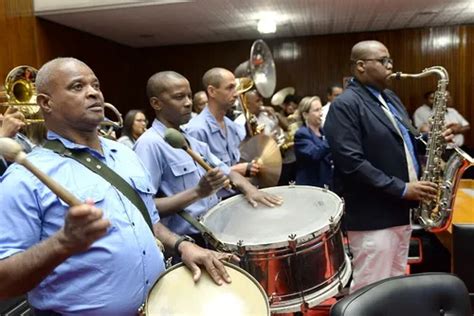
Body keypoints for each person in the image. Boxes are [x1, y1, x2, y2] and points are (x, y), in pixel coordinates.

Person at [0, 58, 234, 314]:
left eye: (95, 85)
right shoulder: (24, 178)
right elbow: (4, 281)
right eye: (77, 87)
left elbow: (149, 223)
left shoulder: (125, 155)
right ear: (46, 102)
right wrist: (62, 243)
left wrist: (182, 245)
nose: (93, 92)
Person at [324, 40, 453, 293]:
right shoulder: (345, 105)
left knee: (394, 286)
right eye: (383, 61)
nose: (391, 66)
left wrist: (431, 139)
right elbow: (351, 163)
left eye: (390, 60)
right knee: (371, 290)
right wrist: (403, 188)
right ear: (360, 66)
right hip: (374, 216)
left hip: (399, 211)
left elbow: (405, 137)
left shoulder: (389, 97)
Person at [134, 71, 282, 243]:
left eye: (189, 96)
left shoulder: (191, 142)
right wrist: (198, 192)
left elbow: (228, 172)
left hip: (214, 231)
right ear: (156, 103)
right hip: (187, 241)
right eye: (179, 97)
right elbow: (144, 207)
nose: (188, 103)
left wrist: (250, 190)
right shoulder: (149, 144)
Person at [185, 67, 259, 178]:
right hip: (218, 195)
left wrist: (249, 139)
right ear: (212, 91)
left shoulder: (231, 125)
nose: (236, 94)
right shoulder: (197, 129)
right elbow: (197, 177)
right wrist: (234, 171)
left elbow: (238, 157)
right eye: (230, 88)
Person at [294, 96, 333, 188]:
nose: (321, 113)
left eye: (321, 109)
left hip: (326, 184)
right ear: (305, 115)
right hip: (310, 186)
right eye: (316, 110)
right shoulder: (302, 134)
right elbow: (315, 154)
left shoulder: (323, 132)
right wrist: (332, 137)